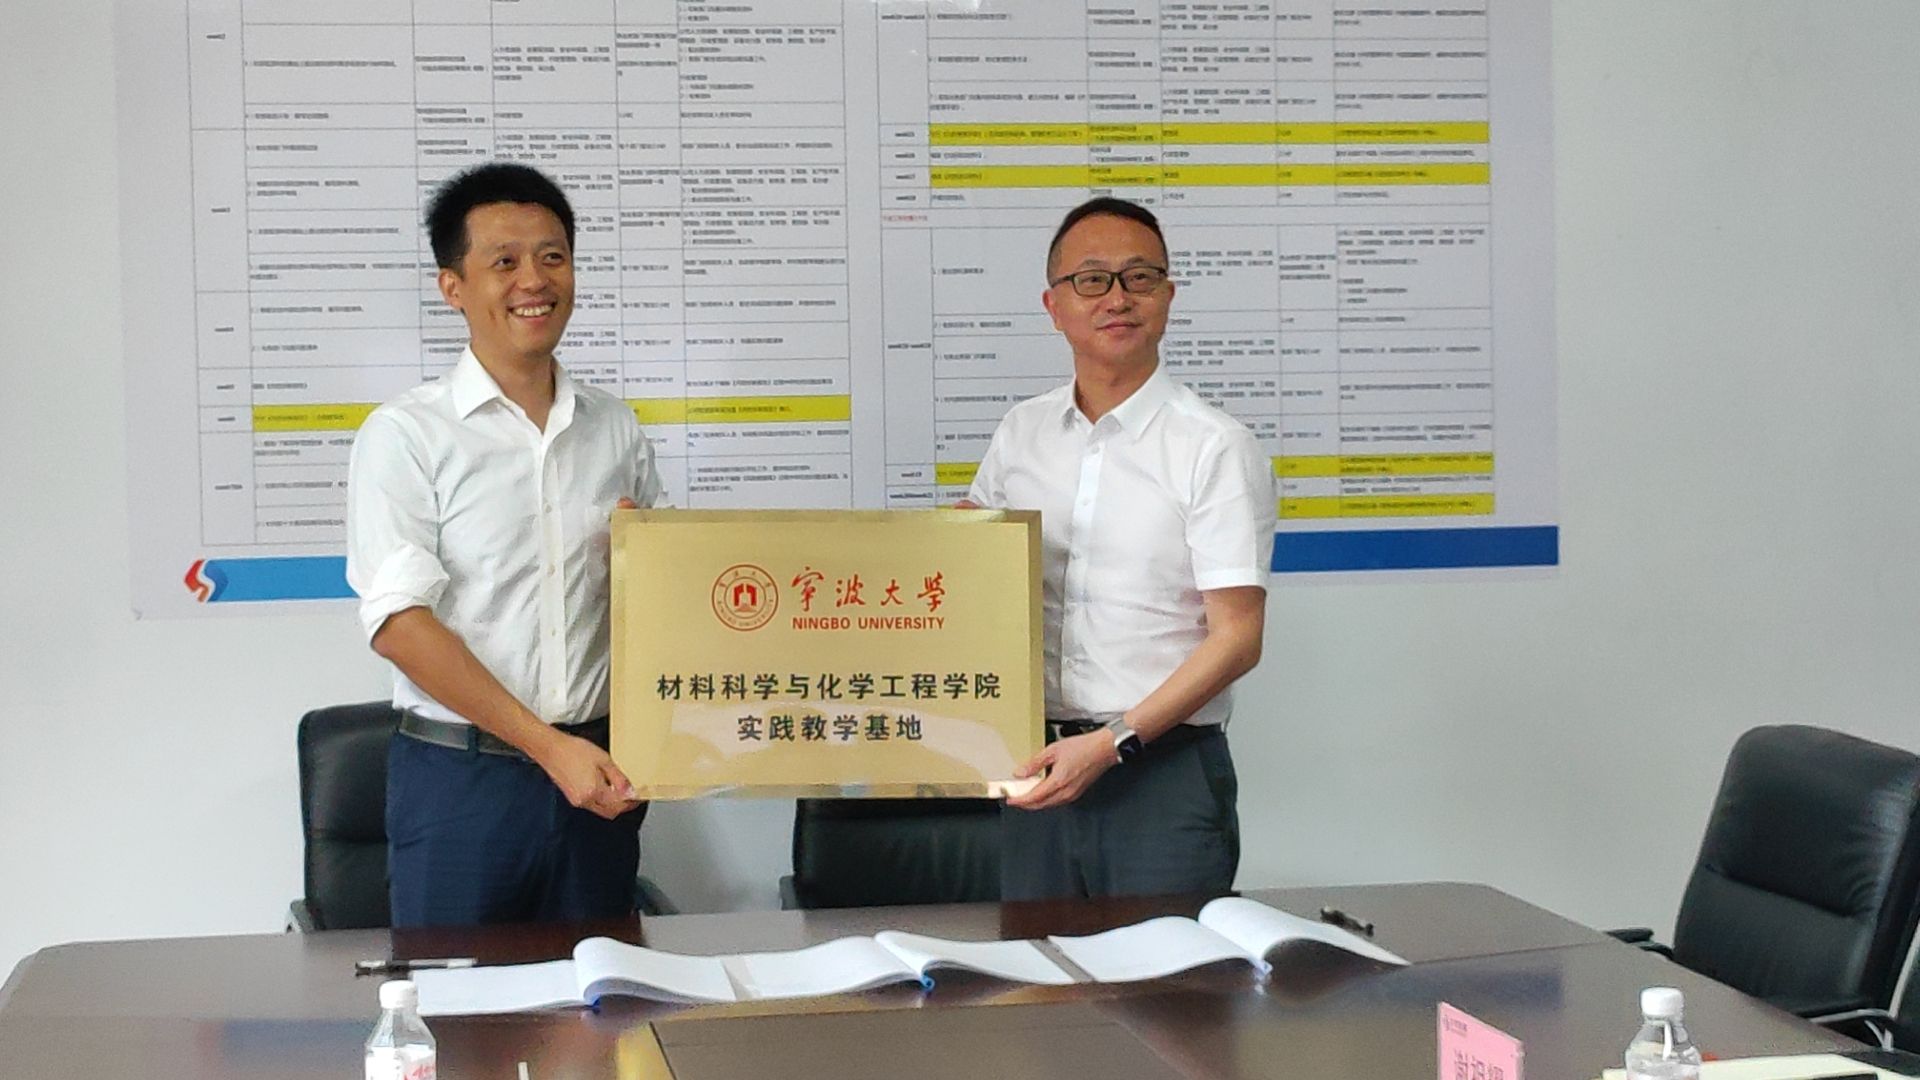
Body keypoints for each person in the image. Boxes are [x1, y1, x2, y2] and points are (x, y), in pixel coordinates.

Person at [346, 162, 663, 927]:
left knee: (601, 994)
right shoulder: (407, 435)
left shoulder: (614, 428)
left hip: (599, 776)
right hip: (461, 784)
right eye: (505, 261)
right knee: (459, 998)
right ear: (452, 286)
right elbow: (399, 625)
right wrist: (548, 748)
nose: (535, 281)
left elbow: (660, 605)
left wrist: (642, 566)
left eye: (553, 257)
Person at [966, 196, 1276, 900]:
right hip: (1036, 764)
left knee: (1164, 973)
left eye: (1140, 277)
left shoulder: (1214, 447)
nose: (1117, 297)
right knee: (1041, 967)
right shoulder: (1021, 433)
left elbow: (1238, 638)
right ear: (1054, 305)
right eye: (1091, 279)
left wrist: (1112, 744)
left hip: (1160, 774)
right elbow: (974, 580)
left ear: (1167, 296)